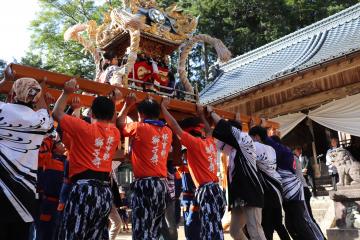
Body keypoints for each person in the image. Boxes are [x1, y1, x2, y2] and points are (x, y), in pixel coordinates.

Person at [52, 78, 121, 240]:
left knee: (73, 234)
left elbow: (56, 114)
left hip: (84, 188)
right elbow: (111, 120)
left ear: (92, 113)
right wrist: (113, 102)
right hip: (105, 192)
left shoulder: (83, 128)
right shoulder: (115, 134)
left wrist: (66, 92)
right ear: (111, 114)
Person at [161, 100, 226, 240]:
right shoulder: (209, 142)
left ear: (188, 133)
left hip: (206, 191)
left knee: (208, 230)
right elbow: (209, 129)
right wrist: (201, 114)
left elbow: (175, 126)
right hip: (215, 190)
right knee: (213, 227)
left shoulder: (194, 144)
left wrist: (163, 109)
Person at [0, 77, 53, 240]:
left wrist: (5, 80)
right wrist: (42, 93)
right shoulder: (41, 121)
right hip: (26, 194)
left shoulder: (2, 110)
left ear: (13, 94)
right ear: (36, 98)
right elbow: (47, 116)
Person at [250, 126, 324, 240]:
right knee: (291, 224)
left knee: (300, 224)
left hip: (292, 190)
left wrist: (262, 134)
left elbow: (266, 143)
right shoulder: (284, 150)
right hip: (288, 191)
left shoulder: (277, 150)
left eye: (254, 138)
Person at [116, 94, 172, 240]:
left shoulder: (139, 127)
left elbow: (120, 124)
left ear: (140, 115)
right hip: (161, 185)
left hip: (145, 184)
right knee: (155, 229)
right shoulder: (168, 131)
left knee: (142, 228)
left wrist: (127, 105)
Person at [206, 107, 265, 240]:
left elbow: (226, 128)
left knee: (255, 230)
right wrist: (204, 119)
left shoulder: (245, 140)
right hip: (239, 197)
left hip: (251, 193)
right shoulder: (234, 149)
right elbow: (214, 137)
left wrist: (212, 113)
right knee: (234, 231)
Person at [249, 127, 291, 240]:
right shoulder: (271, 149)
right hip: (277, 188)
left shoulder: (255, 147)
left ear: (257, 137)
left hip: (267, 190)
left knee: (267, 226)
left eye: (251, 137)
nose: (250, 140)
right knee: (278, 224)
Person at [294, 147, 326, 240]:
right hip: (300, 188)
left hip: (302, 187)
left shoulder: (298, 158)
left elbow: (307, 164)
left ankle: (320, 238)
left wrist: (305, 169)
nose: (298, 151)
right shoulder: (295, 158)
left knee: (308, 218)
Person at [178, 148, 201, 240]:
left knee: (192, 220)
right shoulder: (182, 166)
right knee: (187, 221)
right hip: (185, 198)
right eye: (183, 154)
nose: (184, 156)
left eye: (185, 153)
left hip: (195, 197)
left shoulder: (195, 165)